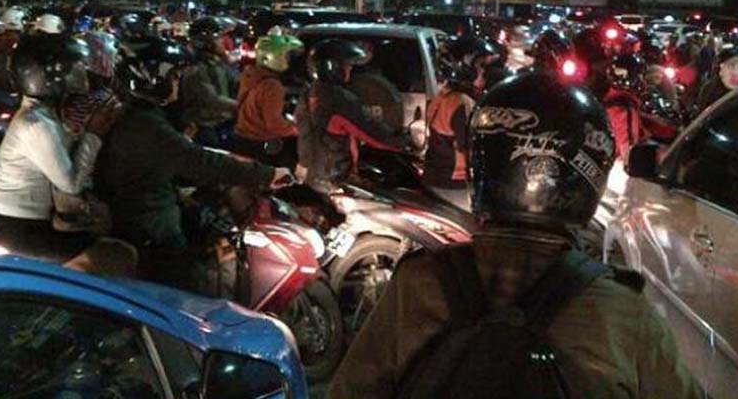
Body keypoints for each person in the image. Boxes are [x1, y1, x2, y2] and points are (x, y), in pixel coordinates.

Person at [328, 72, 703, 398]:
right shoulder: (621, 311)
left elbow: (351, 390)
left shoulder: (417, 283)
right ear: (591, 177)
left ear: (481, 166)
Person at [96, 36, 290, 263]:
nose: (178, 82)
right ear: (153, 78)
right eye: (175, 76)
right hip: (150, 221)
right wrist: (267, 174)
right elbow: (198, 161)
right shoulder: (144, 124)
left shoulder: (139, 113)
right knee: (192, 274)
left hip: (147, 202)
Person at [0, 34, 135, 276]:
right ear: (50, 74)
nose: (81, 72)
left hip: (26, 224)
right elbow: (70, 183)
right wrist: (94, 134)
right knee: (114, 255)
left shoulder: (42, 115)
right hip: (20, 229)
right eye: (73, 66)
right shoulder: (35, 124)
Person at [297, 39, 408, 193]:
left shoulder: (309, 93)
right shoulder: (339, 100)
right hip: (333, 178)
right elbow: (372, 133)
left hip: (311, 174)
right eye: (346, 65)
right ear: (333, 67)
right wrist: (402, 141)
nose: (349, 69)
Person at [423, 36, 496, 210]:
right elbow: (473, 145)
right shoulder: (460, 102)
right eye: (480, 66)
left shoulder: (445, 94)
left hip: (438, 175)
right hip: (453, 183)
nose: (484, 73)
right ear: (464, 68)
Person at [233, 31, 304, 164]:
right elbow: (274, 124)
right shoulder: (272, 85)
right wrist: (297, 130)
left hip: (243, 138)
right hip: (260, 142)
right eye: (285, 56)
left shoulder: (250, 74)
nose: (289, 60)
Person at [178, 16, 239, 148]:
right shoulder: (195, 68)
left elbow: (236, 83)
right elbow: (211, 99)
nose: (223, 42)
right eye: (218, 38)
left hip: (222, 122)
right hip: (204, 127)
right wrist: (243, 107)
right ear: (207, 42)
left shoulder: (218, 63)